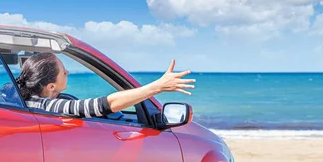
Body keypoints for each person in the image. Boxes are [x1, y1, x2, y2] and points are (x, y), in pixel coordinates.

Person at [13, 52, 196, 118]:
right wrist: (157, 87)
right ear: (51, 86)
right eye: (63, 71)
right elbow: (103, 105)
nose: (67, 73)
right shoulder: (49, 107)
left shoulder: (18, 100)